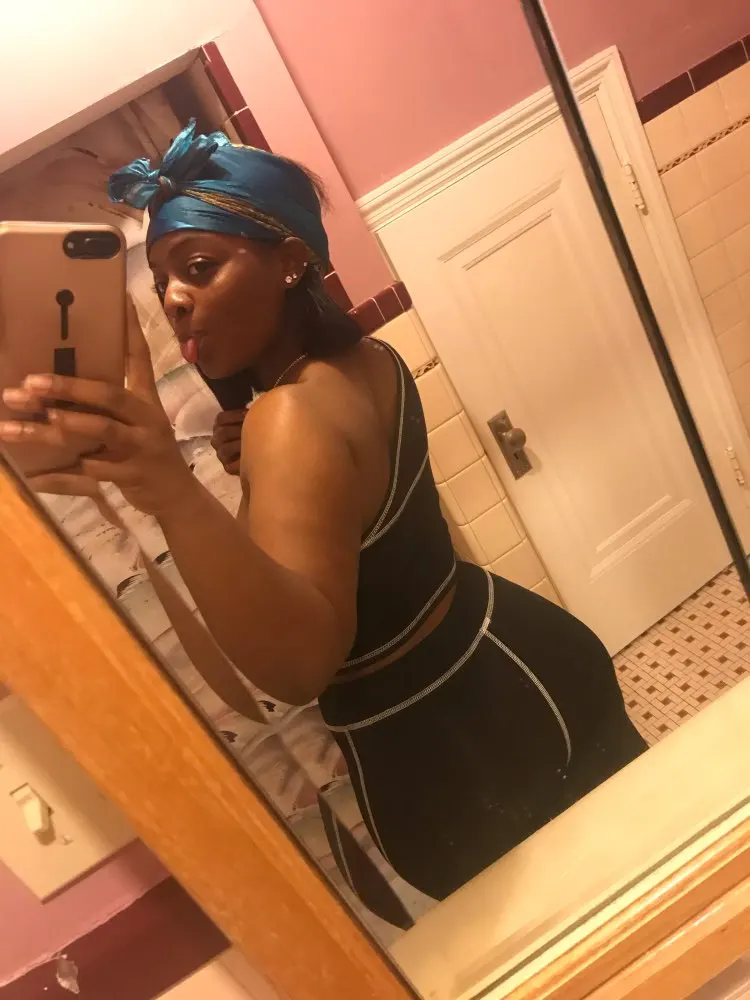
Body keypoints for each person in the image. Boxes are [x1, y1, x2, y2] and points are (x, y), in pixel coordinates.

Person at [0, 122, 647, 900]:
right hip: (503, 648)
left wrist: (170, 486)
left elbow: (298, 668)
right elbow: (348, 517)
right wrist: (257, 471)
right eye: (164, 278)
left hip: (454, 733)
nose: (173, 299)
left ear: (290, 260)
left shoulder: (287, 418)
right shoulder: (362, 360)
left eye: (200, 268)